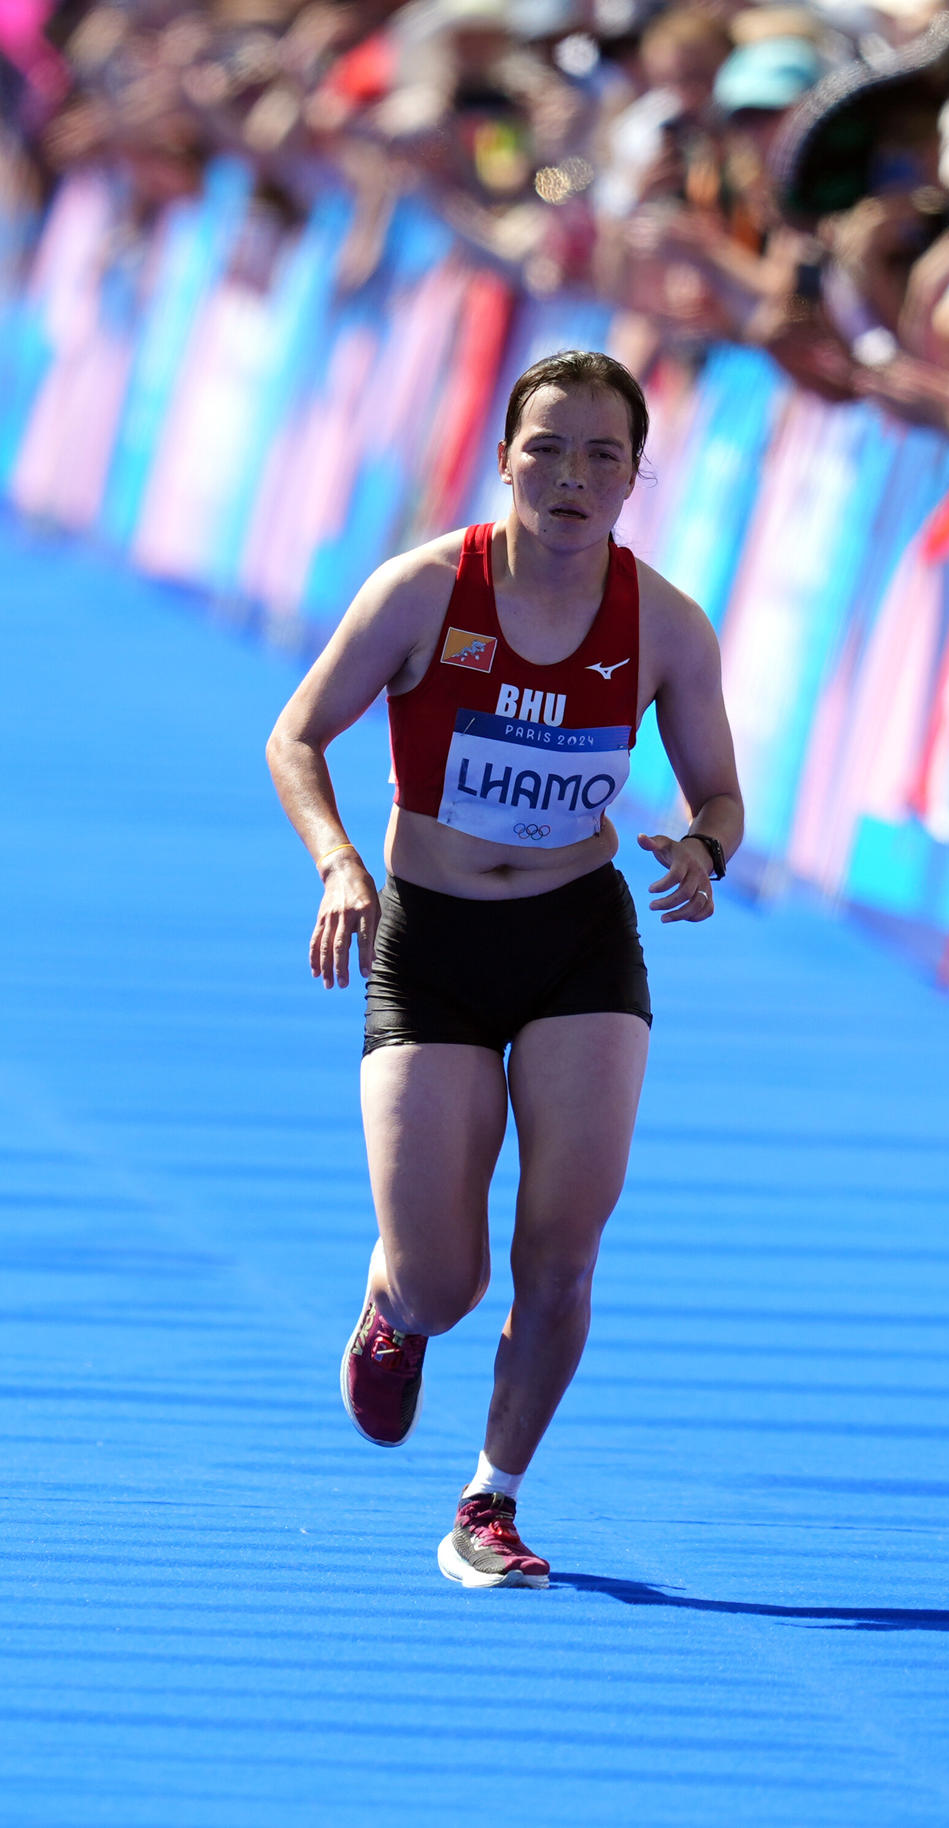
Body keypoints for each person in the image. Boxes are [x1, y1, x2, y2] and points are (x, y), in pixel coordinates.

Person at [264, 350, 745, 1590]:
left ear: (636, 478)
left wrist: (702, 849)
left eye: (602, 455)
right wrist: (336, 864)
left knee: (563, 1249)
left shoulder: (666, 627)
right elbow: (297, 735)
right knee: (446, 1277)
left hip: (579, 939)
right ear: (504, 461)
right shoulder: (426, 590)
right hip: (432, 943)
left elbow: (723, 794)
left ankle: (491, 1498)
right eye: (547, 448)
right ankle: (394, 1305)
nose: (572, 476)